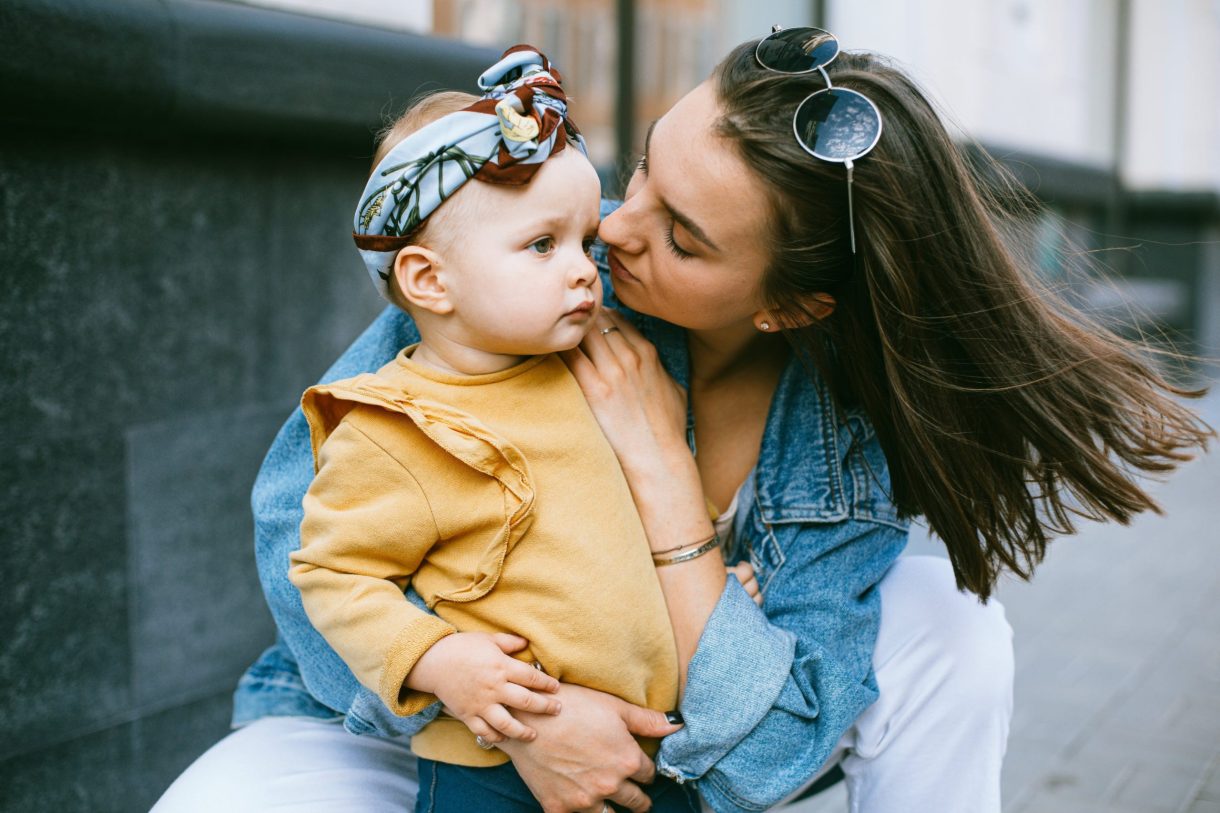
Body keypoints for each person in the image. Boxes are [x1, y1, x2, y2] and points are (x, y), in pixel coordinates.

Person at [154, 27, 1212, 813]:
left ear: (789, 305)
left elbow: (769, 758)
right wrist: (515, 720)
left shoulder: (832, 443)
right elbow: (301, 532)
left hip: (670, 762)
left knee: (951, 629)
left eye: (683, 237)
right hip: (412, 719)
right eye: (644, 167)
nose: (612, 229)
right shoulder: (532, 293)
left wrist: (661, 472)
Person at [283, 44, 700, 813]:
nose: (584, 269)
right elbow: (332, 573)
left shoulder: (590, 370)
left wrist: (710, 586)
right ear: (429, 281)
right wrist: (437, 658)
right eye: (543, 245)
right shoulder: (398, 426)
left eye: (583, 239)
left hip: (646, 752)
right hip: (494, 771)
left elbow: (611, 531)